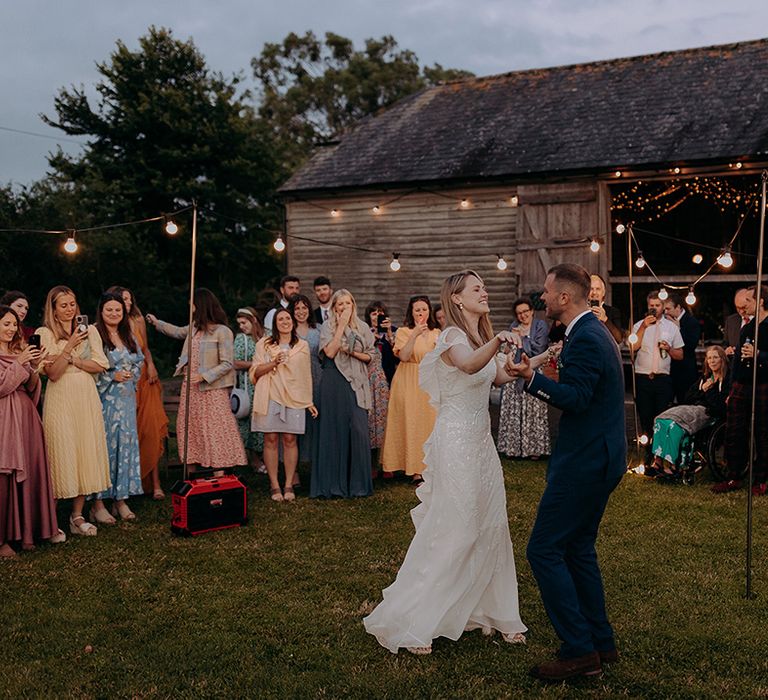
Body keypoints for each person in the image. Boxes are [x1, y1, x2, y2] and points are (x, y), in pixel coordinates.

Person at [364, 270, 527, 654]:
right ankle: (420, 618)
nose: (484, 292)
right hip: (455, 441)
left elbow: (500, 376)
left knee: (491, 523)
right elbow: (470, 366)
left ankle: (497, 613)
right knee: (459, 526)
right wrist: (499, 340)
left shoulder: (481, 338)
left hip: (482, 444)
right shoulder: (452, 337)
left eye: (484, 287)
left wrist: (540, 357)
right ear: (456, 298)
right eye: (477, 288)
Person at [506, 263, 626, 681]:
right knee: (577, 549)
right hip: (600, 457)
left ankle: (579, 651)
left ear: (564, 297)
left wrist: (531, 378)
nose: (541, 296)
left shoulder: (587, 338)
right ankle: (601, 642)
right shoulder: (590, 332)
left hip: (586, 462)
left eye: (546, 290)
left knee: (543, 549)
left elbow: (575, 398)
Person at [36, 285, 111, 536]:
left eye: (72, 304)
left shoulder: (89, 331)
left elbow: (100, 365)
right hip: (61, 398)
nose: (69, 309)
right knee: (60, 450)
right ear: (54, 309)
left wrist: (74, 360)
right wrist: (68, 347)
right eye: (63, 305)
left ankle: (76, 516)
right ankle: (48, 518)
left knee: (83, 450)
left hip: (86, 396)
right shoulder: (45, 334)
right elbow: (53, 374)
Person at [147, 288, 246, 471]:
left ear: (200, 305)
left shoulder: (221, 331)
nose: (189, 307)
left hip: (212, 389)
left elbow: (227, 363)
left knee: (215, 429)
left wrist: (204, 376)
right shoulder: (194, 329)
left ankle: (220, 472)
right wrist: (156, 323)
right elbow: (176, 332)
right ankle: (191, 471)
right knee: (191, 427)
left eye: (192, 304)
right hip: (191, 387)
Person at [0, 306, 64, 555]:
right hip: (5, 419)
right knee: (6, 476)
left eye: (14, 324)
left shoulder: (19, 351)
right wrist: (20, 362)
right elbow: (2, 387)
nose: (11, 329)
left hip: (27, 417)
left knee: (32, 469)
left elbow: (30, 387)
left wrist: (34, 367)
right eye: (5, 324)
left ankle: (29, 532)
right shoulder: (17, 356)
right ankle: (4, 539)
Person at [311, 289, 375, 498]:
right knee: (334, 429)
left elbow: (371, 356)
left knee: (358, 429)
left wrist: (353, 352)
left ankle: (357, 486)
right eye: (340, 304)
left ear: (353, 305)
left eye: (348, 304)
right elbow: (329, 352)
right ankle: (333, 486)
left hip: (357, 381)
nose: (344, 307)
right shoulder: (327, 327)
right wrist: (340, 326)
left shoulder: (363, 327)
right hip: (333, 379)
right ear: (334, 307)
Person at [107, 286, 169, 499]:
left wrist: (150, 365)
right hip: (122, 386)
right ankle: (129, 481)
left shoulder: (138, 320)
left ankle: (156, 483)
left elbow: (146, 349)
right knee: (130, 431)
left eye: (129, 299)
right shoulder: (108, 327)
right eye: (123, 299)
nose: (128, 303)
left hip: (144, 379)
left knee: (150, 428)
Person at [250, 308, 317, 502]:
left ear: (293, 321)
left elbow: (305, 376)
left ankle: (288, 484)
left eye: (288, 318)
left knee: (290, 439)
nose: (285, 321)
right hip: (270, 394)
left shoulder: (302, 345)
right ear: (275, 323)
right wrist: (273, 363)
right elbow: (255, 372)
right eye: (281, 319)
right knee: (270, 439)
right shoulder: (264, 344)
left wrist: (308, 402)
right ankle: (274, 485)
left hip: (294, 396)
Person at [92, 293, 144, 521]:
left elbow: (139, 360)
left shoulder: (128, 335)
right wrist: (112, 376)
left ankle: (120, 499)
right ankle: (98, 502)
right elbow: (91, 366)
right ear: (101, 312)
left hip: (126, 400)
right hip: (105, 400)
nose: (114, 314)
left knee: (126, 446)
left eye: (118, 310)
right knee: (106, 447)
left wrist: (133, 374)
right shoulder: (95, 335)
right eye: (109, 310)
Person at [713, 285, 768, 495]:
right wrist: (730, 389)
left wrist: (759, 354)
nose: (745, 304)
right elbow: (736, 361)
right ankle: (733, 476)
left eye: (749, 300)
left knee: (762, 432)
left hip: (763, 383)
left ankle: (761, 480)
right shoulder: (747, 327)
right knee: (734, 431)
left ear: (760, 301)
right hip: (741, 384)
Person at [380, 296, 440, 484]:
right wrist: (414, 334)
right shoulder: (404, 332)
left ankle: (430, 467)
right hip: (408, 379)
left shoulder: (436, 332)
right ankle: (414, 470)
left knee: (429, 422)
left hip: (429, 379)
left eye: (424, 309)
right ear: (411, 313)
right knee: (411, 422)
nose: (421, 313)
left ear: (429, 311)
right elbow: (404, 356)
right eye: (417, 310)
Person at [650, 345, 729, 477]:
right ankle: (658, 461)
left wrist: (708, 391)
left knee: (674, 425)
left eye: (715, 357)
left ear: (722, 360)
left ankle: (675, 465)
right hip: (692, 408)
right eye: (709, 358)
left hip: (710, 413)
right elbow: (688, 397)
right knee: (661, 420)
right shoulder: (704, 378)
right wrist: (702, 389)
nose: (712, 361)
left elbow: (719, 405)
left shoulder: (726, 380)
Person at [628, 291, 684, 461]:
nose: (654, 308)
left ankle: (659, 457)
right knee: (645, 418)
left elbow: (680, 355)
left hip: (662, 379)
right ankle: (647, 456)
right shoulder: (639, 325)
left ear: (663, 307)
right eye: (651, 305)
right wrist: (644, 327)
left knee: (660, 417)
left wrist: (669, 349)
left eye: (657, 305)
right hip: (642, 377)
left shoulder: (672, 327)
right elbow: (633, 347)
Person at [497, 297, 551, 460]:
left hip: (533, 371)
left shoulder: (540, 325)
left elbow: (539, 349)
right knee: (514, 410)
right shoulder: (513, 327)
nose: (522, 316)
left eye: (525, 312)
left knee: (534, 412)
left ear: (532, 311)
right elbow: (509, 350)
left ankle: (534, 449)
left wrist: (523, 339)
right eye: (519, 313)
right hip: (515, 372)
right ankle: (513, 448)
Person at [290, 295, 321, 469]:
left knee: (314, 420)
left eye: (304, 308)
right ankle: (293, 471)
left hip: (316, 376)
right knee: (294, 420)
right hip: (293, 378)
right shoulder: (288, 329)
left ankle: (313, 463)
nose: (301, 312)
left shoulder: (318, 330)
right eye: (297, 308)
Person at [233, 307, 265, 468]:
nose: (241, 326)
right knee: (251, 422)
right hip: (249, 385)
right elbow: (236, 363)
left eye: (244, 322)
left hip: (268, 383)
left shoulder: (266, 335)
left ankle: (266, 456)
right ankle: (253, 459)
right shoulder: (241, 339)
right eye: (239, 323)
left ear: (253, 320)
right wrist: (258, 366)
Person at [664, 293, 702, 404]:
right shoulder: (665, 322)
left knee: (685, 403)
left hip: (686, 371)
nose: (665, 312)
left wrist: (678, 329)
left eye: (668, 308)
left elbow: (691, 345)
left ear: (679, 307)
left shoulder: (692, 322)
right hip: (668, 371)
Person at [365, 301, 397, 385]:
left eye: (380, 314)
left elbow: (397, 354)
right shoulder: (364, 331)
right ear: (369, 316)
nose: (377, 317)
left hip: (389, 374)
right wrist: (372, 338)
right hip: (369, 375)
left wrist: (389, 333)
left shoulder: (394, 331)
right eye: (374, 314)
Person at [588, 274, 624, 343]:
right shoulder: (580, 311)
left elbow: (619, 339)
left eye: (598, 289)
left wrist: (605, 319)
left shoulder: (613, 312)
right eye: (591, 289)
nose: (594, 292)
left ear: (603, 292)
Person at [724, 288, 752, 358]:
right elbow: (725, 343)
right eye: (738, 308)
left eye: (744, 307)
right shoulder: (731, 321)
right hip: (734, 365)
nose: (741, 312)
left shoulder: (762, 320)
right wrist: (726, 350)